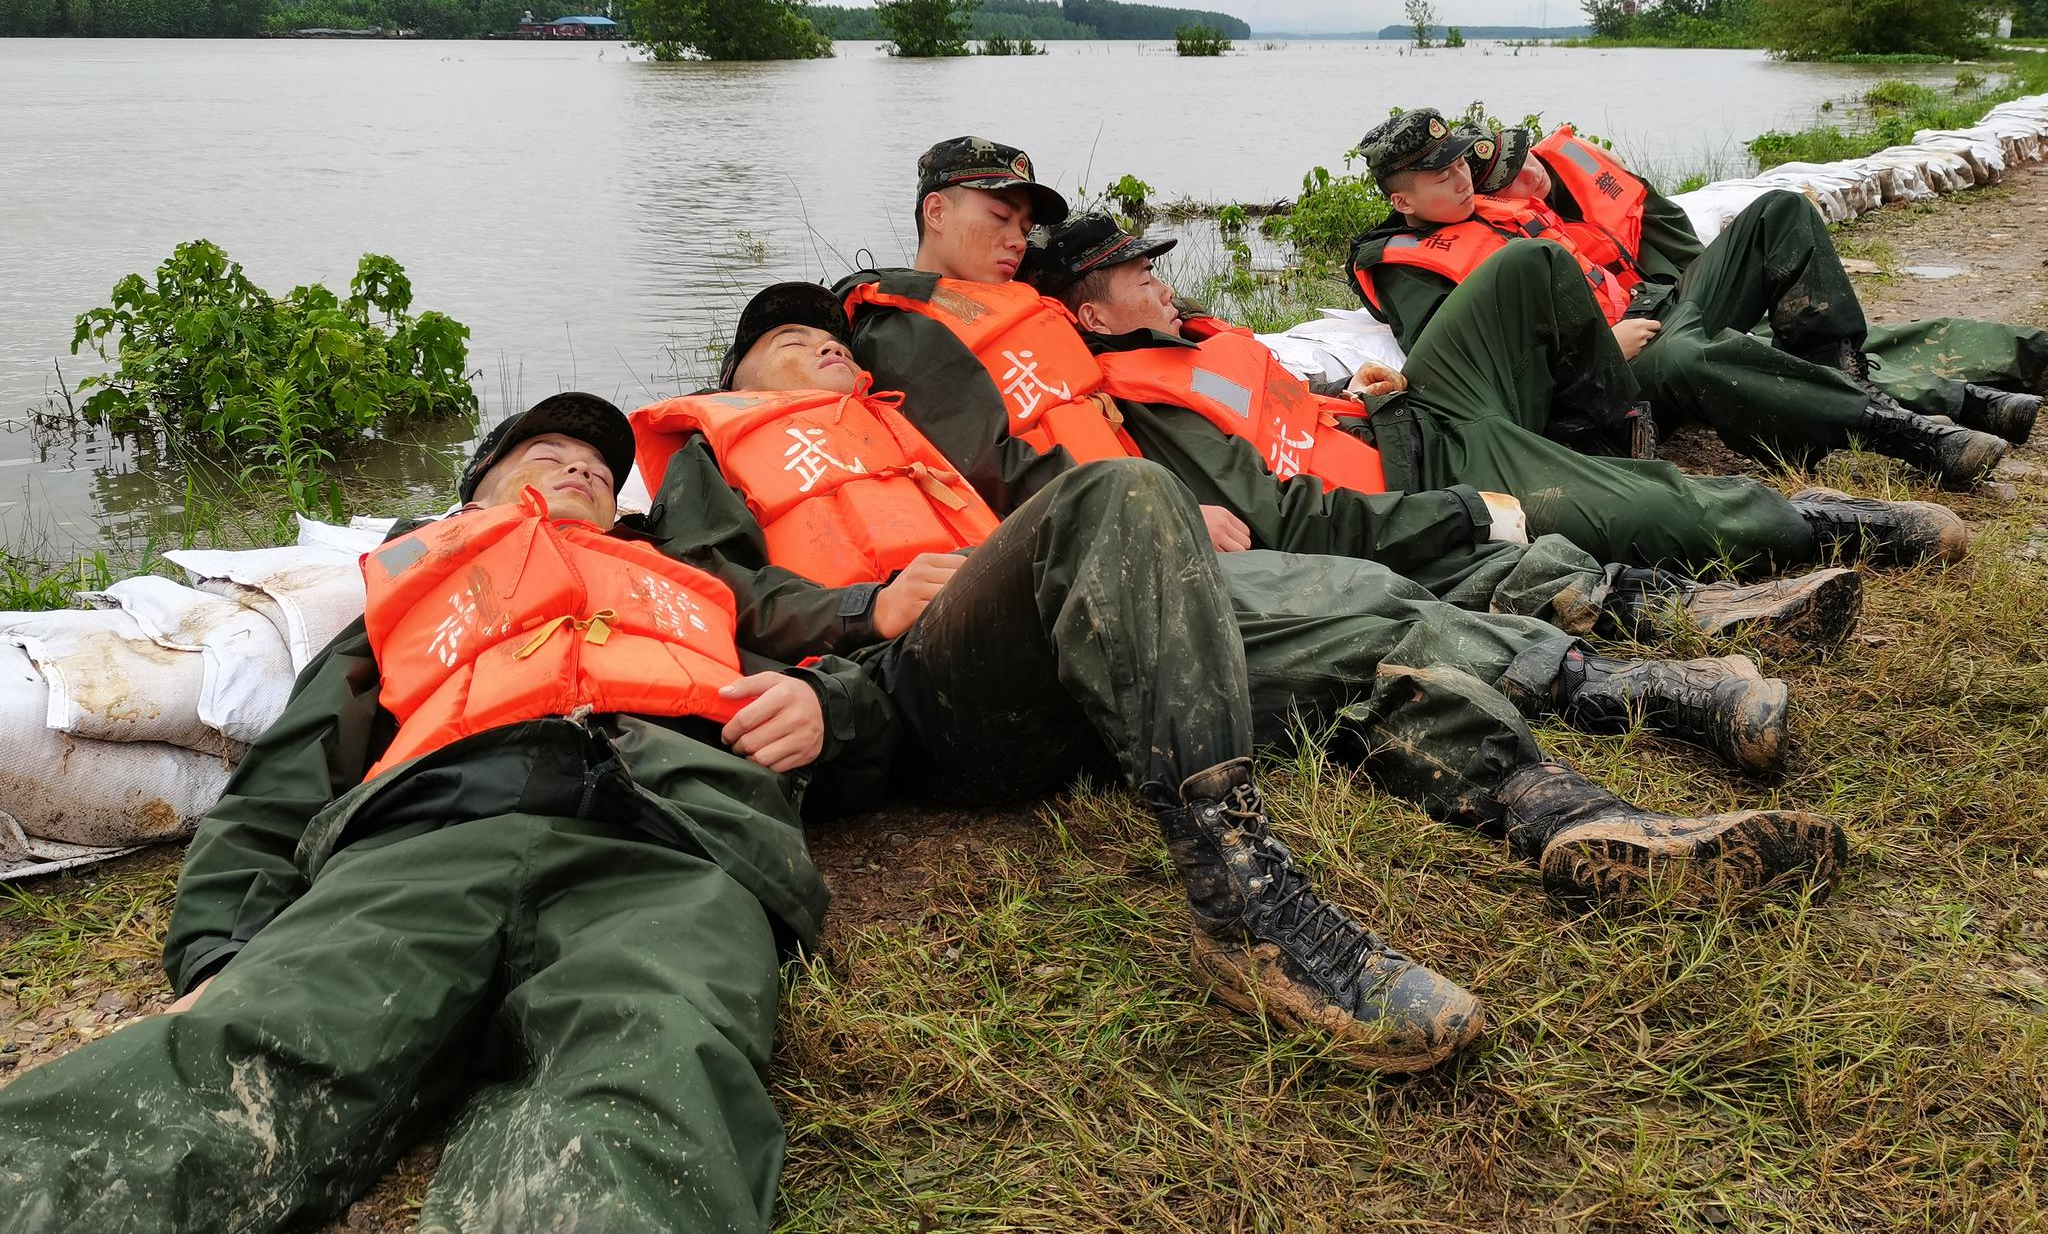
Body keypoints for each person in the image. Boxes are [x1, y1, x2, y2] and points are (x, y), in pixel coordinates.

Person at [650, 285, 1849, 960]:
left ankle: (1583, 776)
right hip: (923, 678)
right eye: (783, 339)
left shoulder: (914, 433)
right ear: (736, 370)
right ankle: (1243, 898)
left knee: (1349, 611)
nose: (818, 343)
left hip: (1048, 640)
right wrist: (860, 604)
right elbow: (715, 596)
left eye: (827, 334)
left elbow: (1036, 510)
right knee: (1130, 495)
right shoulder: (712, 449)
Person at [0, 392, 883, 1234]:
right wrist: (219, 950)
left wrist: (823, 705)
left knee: (647, 1080)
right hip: (422, 846)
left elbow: (869, 689)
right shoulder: (410, 597)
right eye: (548, 456)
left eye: (601, 473)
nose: (581, 470)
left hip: (670, 852)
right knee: (239, 1054)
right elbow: (283, 777)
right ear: (476, 491)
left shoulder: (689, 586)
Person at [1025, 209, 1918, 621]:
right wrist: (1457, 512)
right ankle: (1830, 523)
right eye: (1140, 275)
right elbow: (1288, 517)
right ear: (1093, 316)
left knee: (1531, 265)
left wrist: (1355, 399)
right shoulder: (1145, 404)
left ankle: (1615, 425)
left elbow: (1287, 418)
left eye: (1155, 264)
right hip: (1433, 477)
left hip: (1415, 414)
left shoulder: (1196, 341)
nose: (1164, 280)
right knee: (1659, 510)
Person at [1347, 109, 2009, 489]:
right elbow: (1470, 367)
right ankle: (1901, 432)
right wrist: (1604, 349)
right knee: (1693, 356)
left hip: (1646, 312)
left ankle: (1838, 375)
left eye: (1461, 163)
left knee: (1776, 212)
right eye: (1441, 175)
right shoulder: (1405, 267)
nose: (1461, 177)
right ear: (1401, 199)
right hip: (1597, 384)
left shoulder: (1490, 209)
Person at [1513, 120, 2045, 440]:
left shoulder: (1581, 202)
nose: (1529, 171)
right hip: (1636, 352)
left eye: (1526, 158)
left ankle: (2024, 356)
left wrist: (1636, 185)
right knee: (1758, 357)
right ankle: (1958, 404)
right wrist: (1607, 348)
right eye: (1509, 174)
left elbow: (1683, 250)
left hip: (1677, 309)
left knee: (1811, 302)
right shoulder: (1502, 252)